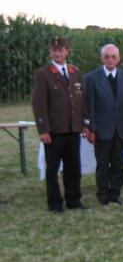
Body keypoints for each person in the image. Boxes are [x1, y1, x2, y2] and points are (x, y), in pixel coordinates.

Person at [31, 36, 90, 212]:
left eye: (60, 50)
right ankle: (55, 203)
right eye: (54, 50)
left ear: (67, 52)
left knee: (73, 167)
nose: (57, 53)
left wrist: (85, 123)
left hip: (73, 128)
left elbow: (81, 100)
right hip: (55, 130)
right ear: (50, 52)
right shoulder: (43, 74)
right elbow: (39, 104)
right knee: (53, 169)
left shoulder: (74, 72)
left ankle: (73, 201)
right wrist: (43, 130)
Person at [84, 44, 123, 205]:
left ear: (118, 59)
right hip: (102, 129)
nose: (110, 60)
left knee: (119, 164)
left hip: (120, 128)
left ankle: (115, 194)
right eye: (107, 57)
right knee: (103, 164)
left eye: (113, 57)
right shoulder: (91, 78)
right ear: (102, 58)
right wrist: (91, 129)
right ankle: (103, 195)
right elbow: (89, 106)